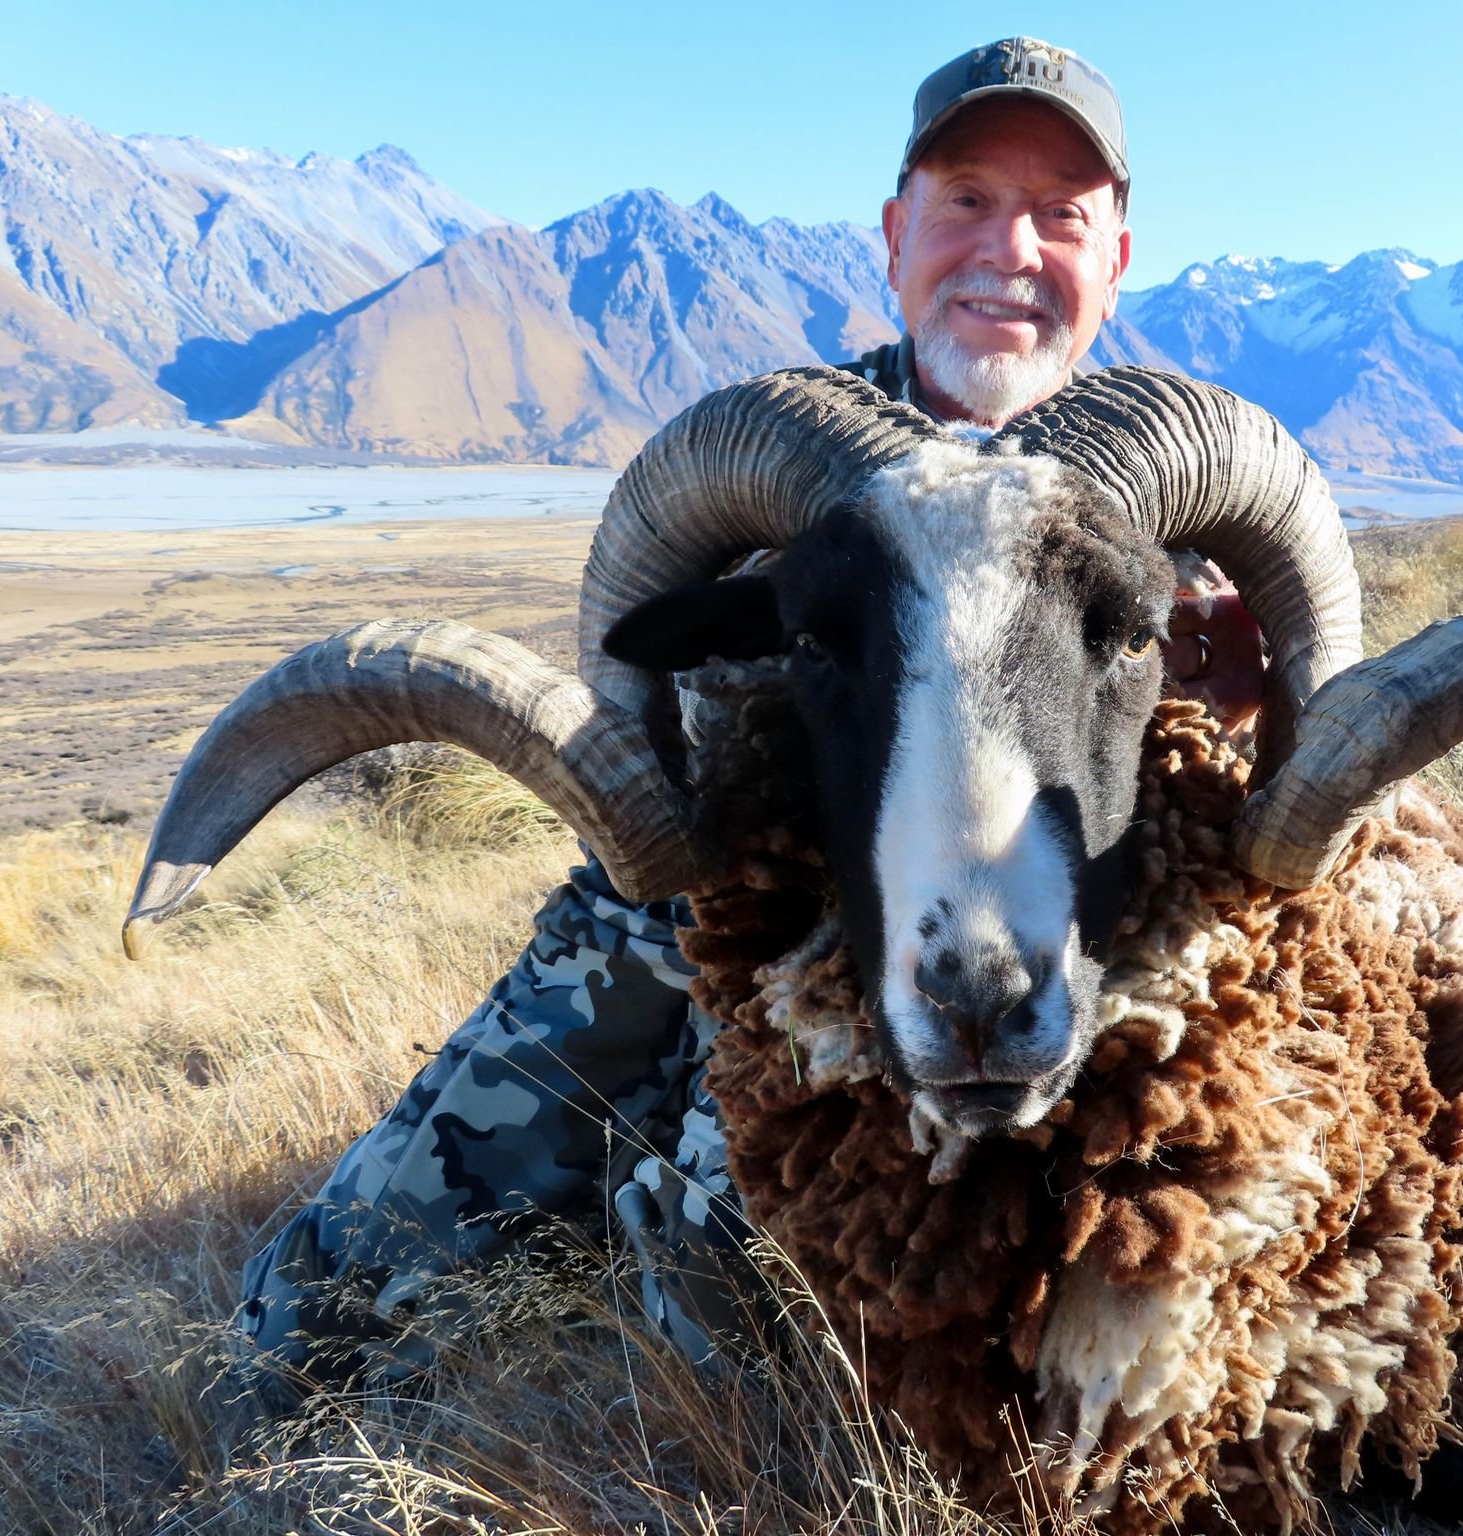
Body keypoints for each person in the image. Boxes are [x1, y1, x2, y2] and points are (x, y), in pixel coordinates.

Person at [232, 35, 1266, 1390]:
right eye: (964, 200)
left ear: (1115, 256)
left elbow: (1262, 806)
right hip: (705, 932)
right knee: (319, 1312)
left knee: (739, 1300)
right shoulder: (790, 485)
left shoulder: (1179, 523)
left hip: (1023, 959)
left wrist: (1241, 714)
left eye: (1060, 214)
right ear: (897, 235)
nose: (1008, 247)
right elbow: (638, 715)